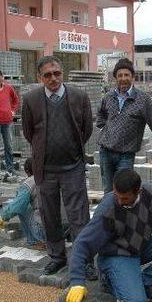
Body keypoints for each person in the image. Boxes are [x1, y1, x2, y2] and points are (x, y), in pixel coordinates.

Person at [64, 169, 152, 302]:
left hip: (139, 247)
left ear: (139, 191)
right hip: (117, 255)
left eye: (124, 198)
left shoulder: (151, 194)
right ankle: (108, 279)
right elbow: (81, 244)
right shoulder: (108, 209)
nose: (119, 201)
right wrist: (77, 282)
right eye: (117, 195)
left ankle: (147, 283)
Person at [21, 55, 94, 276]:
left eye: (57, 73)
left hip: (73, 167)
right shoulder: (31, 99)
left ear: (62, 73)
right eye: (47, 75)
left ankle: (85, 261)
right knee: (49, 215)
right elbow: (28, 132)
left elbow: (86, 129)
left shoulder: (79, 97)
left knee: (79, 216)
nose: (53, 78)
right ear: (39, 77)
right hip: (46, 170)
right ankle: (57, 257)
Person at [96, 58, 152, 192]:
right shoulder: (108, 97)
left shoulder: (142, 99)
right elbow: (100, 115)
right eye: (120, 75)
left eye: (126, 75)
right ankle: (111, 214)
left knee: (124, 190)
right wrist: (105, 128)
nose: (123, 78)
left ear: (133, 77)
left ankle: (124, 213)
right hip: (105, 152)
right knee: (108, 191)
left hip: (126, 155)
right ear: (115, 78)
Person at [0, 158, 45, 247]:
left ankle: (35, 241)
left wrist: (3, 216)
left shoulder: (29, 182)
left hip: (45, 231)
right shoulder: (52, 175)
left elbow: (17, 206)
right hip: (64, 228)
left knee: (24, 207)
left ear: (27, 171)